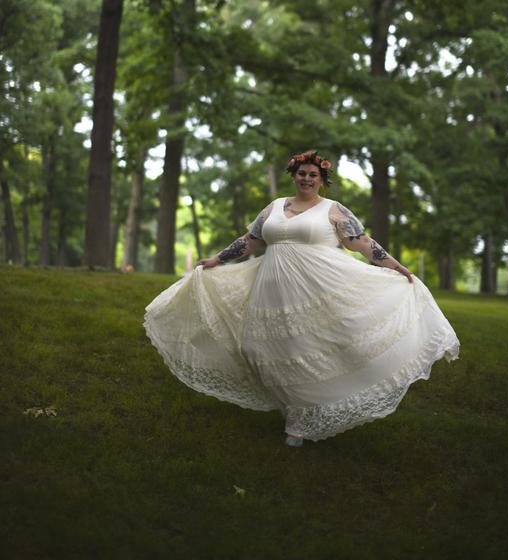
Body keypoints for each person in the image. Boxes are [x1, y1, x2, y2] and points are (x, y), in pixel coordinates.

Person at [144, 150, 459, 447]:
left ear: (321, 180)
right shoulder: (274, 207)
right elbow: (250, 241)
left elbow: (362, 243)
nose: (306, 179)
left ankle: (300, 421)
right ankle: (294, 403)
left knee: (309, 348)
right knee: (260, 348)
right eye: (301, 173)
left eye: (313, 175)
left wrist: (396, 266)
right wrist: (215, 260)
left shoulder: (333, 209)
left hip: (319, 287)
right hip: (271, 289)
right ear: (293, 176)